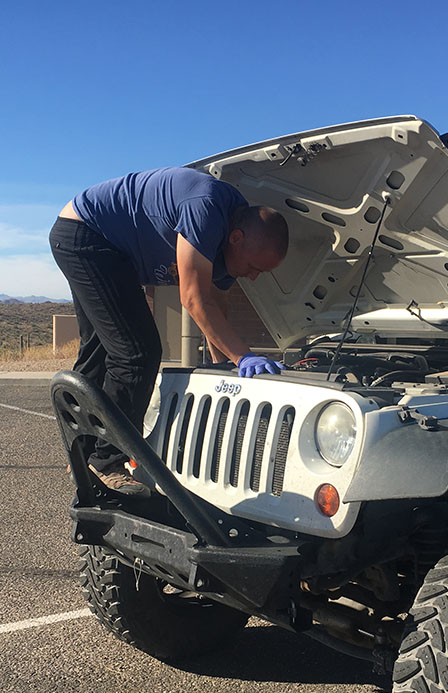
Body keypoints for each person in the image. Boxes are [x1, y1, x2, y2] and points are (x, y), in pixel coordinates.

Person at [50, 166, 289, 496]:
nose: (253, 277)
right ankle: (106, 462)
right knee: (136, 352)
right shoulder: (206, 208)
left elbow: (214, 310)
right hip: (87, 233)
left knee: (101, 350)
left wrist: (227, 367)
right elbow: (193, 299)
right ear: (237, 239)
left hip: (98, 240)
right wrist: (244, 355)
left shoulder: (232, 232)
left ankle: (82, 454)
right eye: (254, 267)